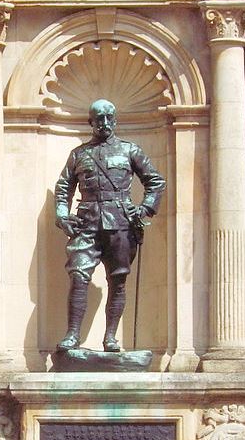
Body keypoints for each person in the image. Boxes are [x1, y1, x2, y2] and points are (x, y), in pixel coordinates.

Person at [54, 99, 165, 352]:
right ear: (91, 122)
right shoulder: (79, 154)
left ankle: (111, 338)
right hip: (86, 222)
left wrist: (145, 208)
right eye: (99, 118)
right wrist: (62, 215)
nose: (104, 123)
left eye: (108, 118)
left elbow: (156, 181)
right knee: (79, 276)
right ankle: (72, 335)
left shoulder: (130, 150)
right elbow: (63, 189)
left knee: (118, 280)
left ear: (114, 120)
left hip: (121, 223)